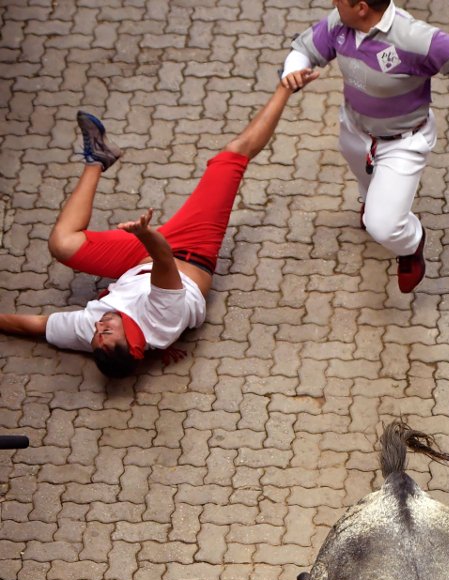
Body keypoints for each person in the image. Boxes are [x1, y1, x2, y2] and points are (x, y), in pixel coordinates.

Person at [0, 83, 310, 377]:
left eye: (96, 334)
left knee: (62, 245)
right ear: (133, 342)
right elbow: (162, 258)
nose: (98, 327)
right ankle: (286, 86)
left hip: (137, 260)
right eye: (106, 332)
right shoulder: (162, 319)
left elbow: (34, 326)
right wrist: (144, 234)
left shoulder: (92, 332)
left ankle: (98, 159)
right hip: (188, 251)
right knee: (233, 155)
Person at [281, 0, 449, 294]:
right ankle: (371, 199)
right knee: (365, 181)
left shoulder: (414, 39)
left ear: (361, 7)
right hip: (354, 129)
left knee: (384, 226)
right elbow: (304, 50)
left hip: (403, 141)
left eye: (339, 0)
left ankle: (411, 243)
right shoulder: (340, 23)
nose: (332, 3)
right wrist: (294, 70)